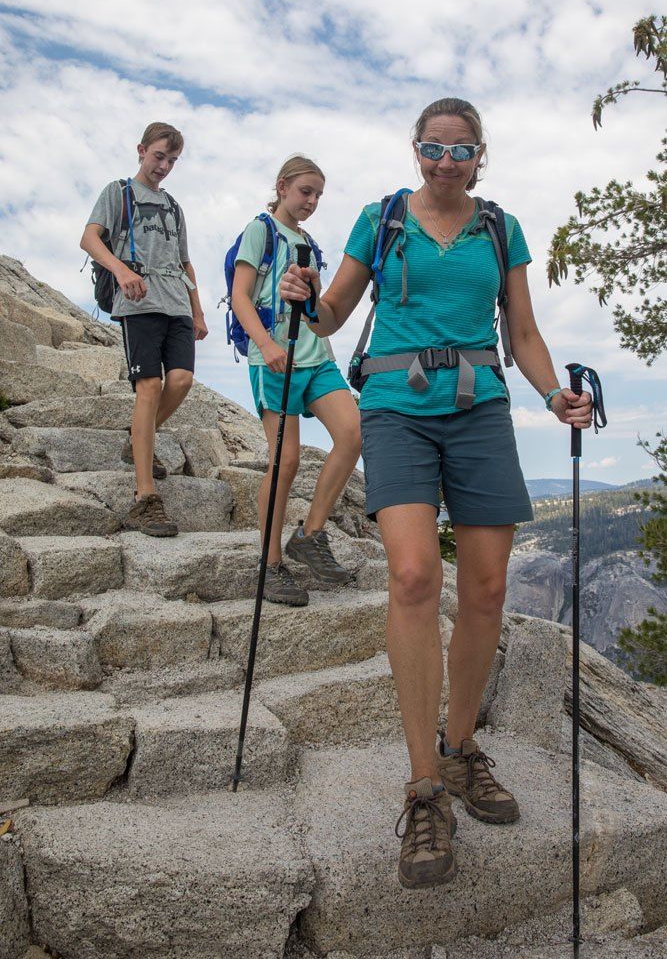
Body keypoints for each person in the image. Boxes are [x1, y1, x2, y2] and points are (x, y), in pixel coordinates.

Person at [279, 98, 593, 889]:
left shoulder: (500, 228)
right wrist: (301, 298)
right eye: (432, 148)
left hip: (481, 408)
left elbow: (520, 331)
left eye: (460, 150)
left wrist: (555, 393)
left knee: (486, 589)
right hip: (393, 411)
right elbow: (332, 310)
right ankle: (423, 785)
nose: (444, 161)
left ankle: (460, 753)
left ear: (480, 155)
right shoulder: (379, 219)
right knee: (415, 575)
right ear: (414, 150)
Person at [230, 155, 361, 607]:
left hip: (316, 357)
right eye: (306, 191)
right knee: (284, 462)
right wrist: (265, 345)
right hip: (275, 359)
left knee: (352, 434)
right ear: (283, 186)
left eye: (319, 195)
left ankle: (310, 534)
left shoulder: (308, 241)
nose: (312, 201)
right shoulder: (260, 230)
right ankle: (269, 564)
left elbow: (316, 309)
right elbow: (239, 295)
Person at [81, 122, 207, 537]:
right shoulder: (118, 192)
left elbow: (185, 261)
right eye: (159, 156)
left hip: (176, 303)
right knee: (149, 386)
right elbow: (89, 238)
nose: (165, 166)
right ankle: (144, 497)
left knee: (183, 380)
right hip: (138, 303)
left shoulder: (174, 206)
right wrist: (118, 269)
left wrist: (199, 312)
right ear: (141, 151)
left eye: (172, 160)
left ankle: (139, 437)